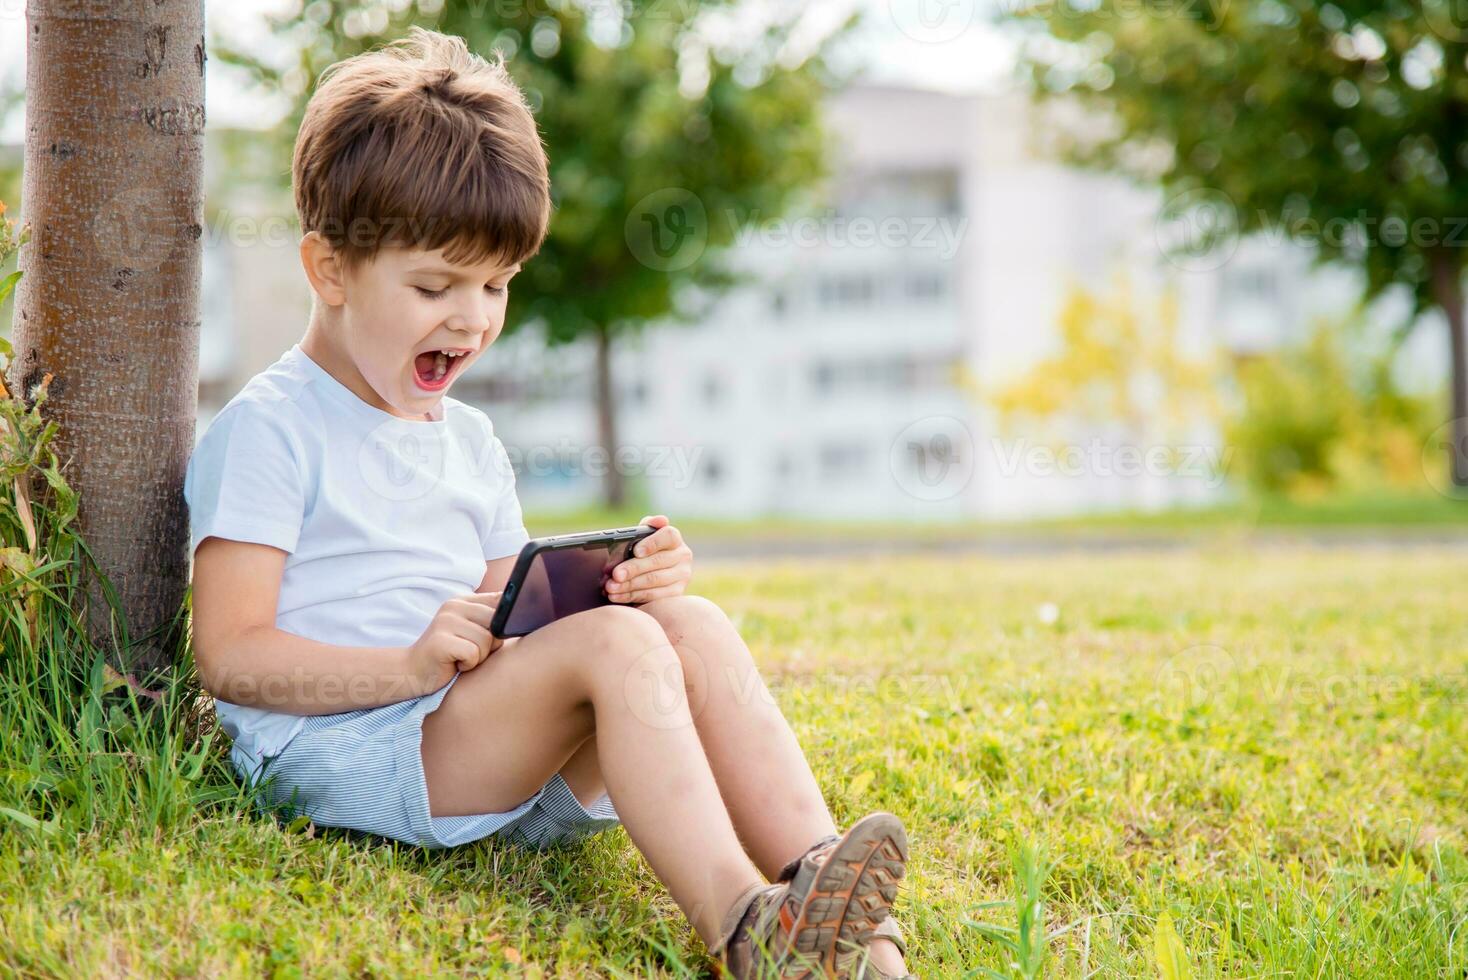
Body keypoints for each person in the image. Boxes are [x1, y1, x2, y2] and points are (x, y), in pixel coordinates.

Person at [184, 26, 914, 979]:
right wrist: (405, 669)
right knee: (615, 648)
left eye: (496, 285)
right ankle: (747, 928)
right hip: (355, 753)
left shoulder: (469, 440)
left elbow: (522, 625)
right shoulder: (269, 431)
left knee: (685, 626)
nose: (474, 318)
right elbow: (230, 658)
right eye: (435, 284)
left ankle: (837, 911)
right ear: (329, 271)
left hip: (471, 746)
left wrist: (621, 589)